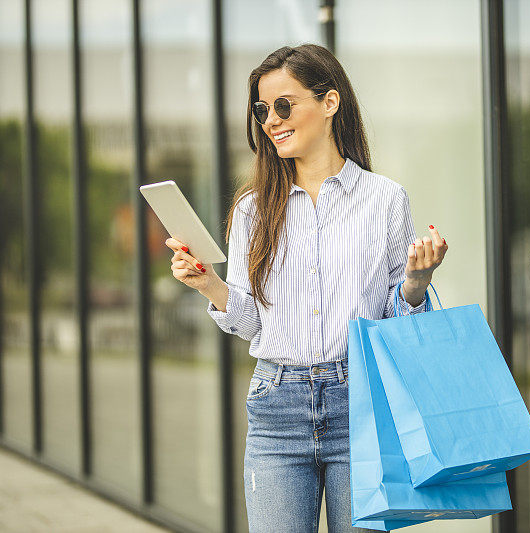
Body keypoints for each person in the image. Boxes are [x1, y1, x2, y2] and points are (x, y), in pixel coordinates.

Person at [165, 43, 447, 533]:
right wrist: (209, 283)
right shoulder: (254, 209)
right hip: (277, 408)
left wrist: (416, 284)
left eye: (284, 105)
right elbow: (253, 322)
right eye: (261, 109)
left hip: (360, 403)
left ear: (330, 103)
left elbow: (393, 320)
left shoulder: (385, 200)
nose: (270, 120)